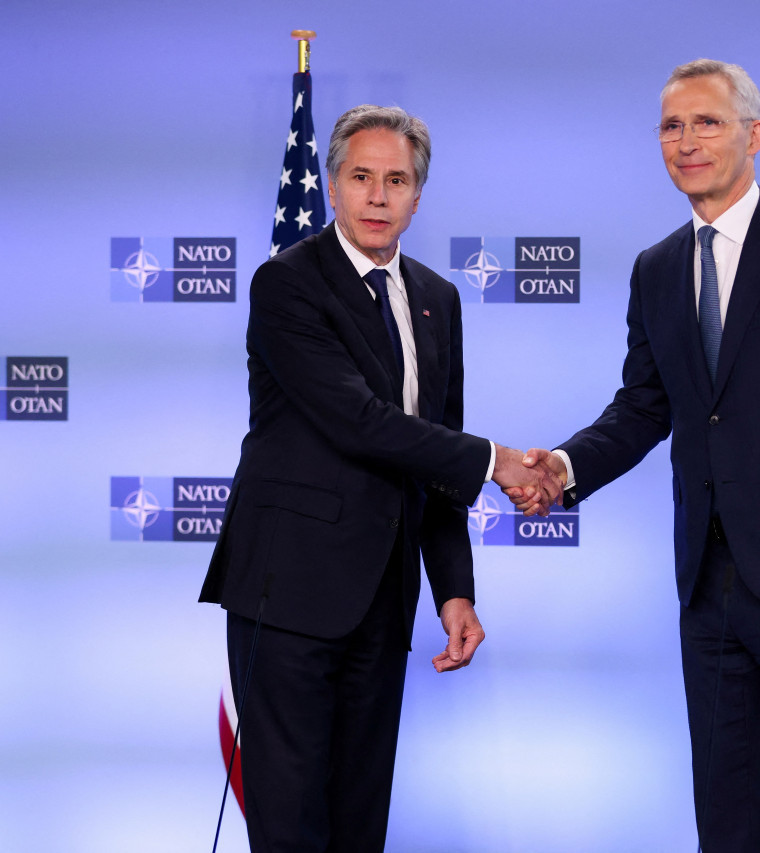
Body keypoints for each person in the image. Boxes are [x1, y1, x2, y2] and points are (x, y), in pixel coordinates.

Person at [511, 60, 760, 851]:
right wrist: (565, 465)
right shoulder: (656, 269)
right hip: (708, 581)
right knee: (726, 813)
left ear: (753, 136)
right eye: (671, 125)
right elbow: (645, 405)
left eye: (707, 123)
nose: (686, 141)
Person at [199, 104, 559, 852]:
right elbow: (360, 422)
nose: (377, 196)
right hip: (288, 594)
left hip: (382, 601)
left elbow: (434, 452)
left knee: (360, 826)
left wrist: (454, 589)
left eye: (396, 180)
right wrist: (500, 463)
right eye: (361, 177)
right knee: (292, 825)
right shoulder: (286, 285)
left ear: (417, 197)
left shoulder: (438, 298)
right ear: (332, 186)